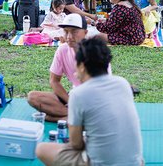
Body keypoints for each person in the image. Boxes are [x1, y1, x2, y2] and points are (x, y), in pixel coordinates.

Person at [36, 37, 142, 166]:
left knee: (42, 149)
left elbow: (76, 144)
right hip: (136, 163)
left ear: (81, 66)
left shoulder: (78, 94)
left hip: (98, 162)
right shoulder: (123, 83)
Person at [27, 14, 89, 122]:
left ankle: (72, 118)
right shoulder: (62, 50)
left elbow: (101, 89)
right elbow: (54, 81)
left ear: (85, 33)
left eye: (74, 31)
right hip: (74, 98)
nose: (69, 36)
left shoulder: (96, 52)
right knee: (33, 97)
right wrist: (70, 101)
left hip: (93, 100)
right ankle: (76, 118)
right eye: (66, 31)